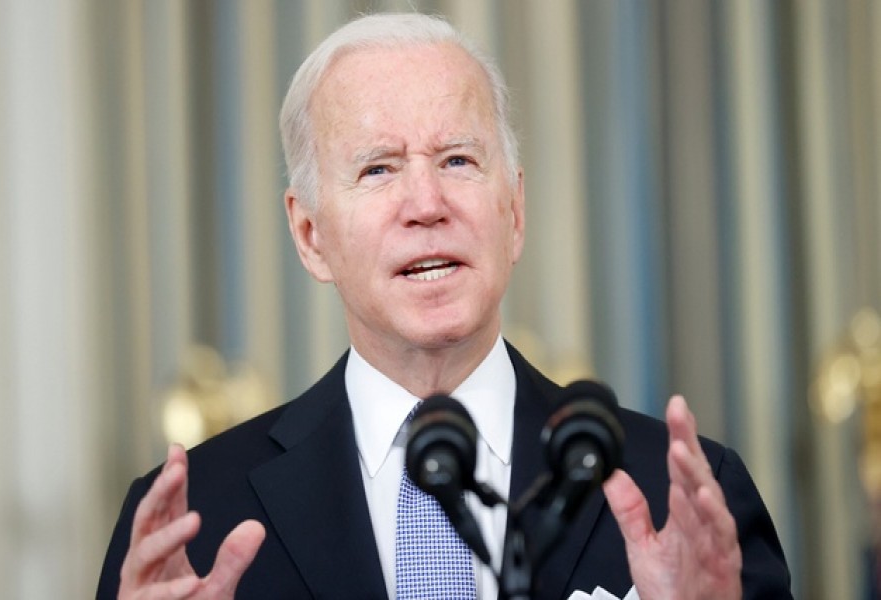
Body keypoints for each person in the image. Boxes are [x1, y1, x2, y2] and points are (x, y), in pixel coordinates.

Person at [97, 12, 792, 600]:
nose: (426, 205)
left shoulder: (684, 500)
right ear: (310, 237)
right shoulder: (192, 522)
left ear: (514, 211)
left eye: (458, 160)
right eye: (378, 169)